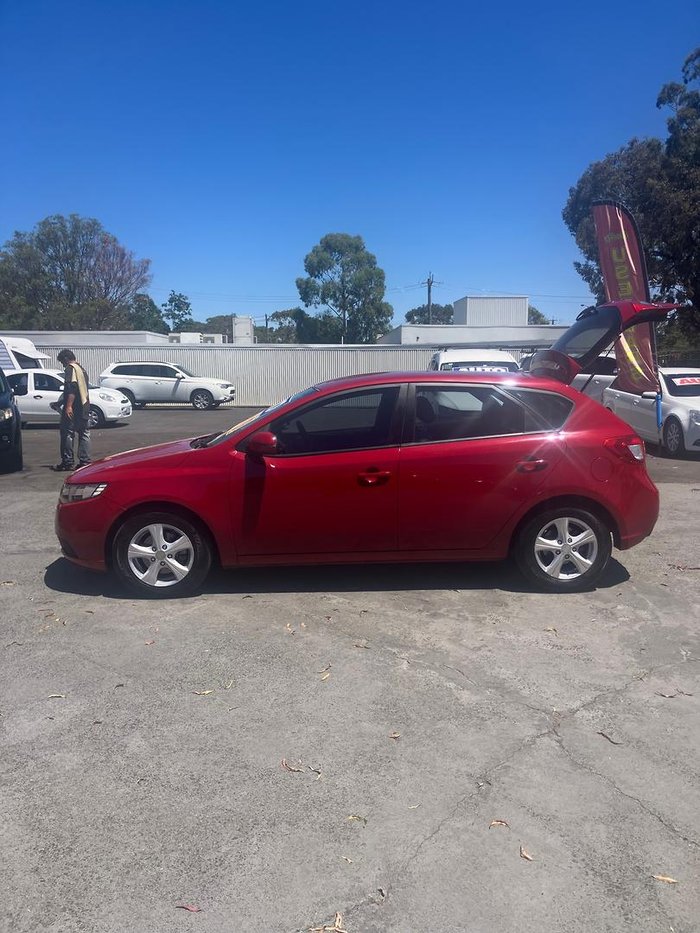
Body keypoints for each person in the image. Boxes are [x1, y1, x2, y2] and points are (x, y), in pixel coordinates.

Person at [51, 349, 92, 471]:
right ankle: (85, 461)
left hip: (74, 408)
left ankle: (67, 462)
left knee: (67, 433)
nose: (63, 366)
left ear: (65, 359)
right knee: (84, 433)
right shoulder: (82, 369)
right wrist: (59, 402)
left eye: (62, 362)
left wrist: (68, 406)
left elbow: (72, 389)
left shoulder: (71, 369)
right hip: (84, 406)